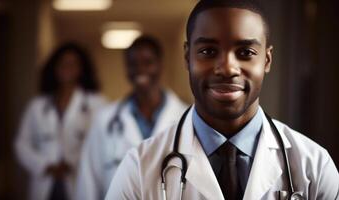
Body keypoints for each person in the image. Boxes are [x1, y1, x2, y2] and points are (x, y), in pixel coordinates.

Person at [105, 1, 339, 200]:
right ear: (188, 57)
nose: (227, 68)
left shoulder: (314, 166)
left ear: (267, 60)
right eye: (208, 51)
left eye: (246, 52)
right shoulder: (138, 169)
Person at [75, 36, 187, 200]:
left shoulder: (185, 118)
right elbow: (88, 181)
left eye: (148, 62)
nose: (140, 69)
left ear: (160, 65)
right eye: (133, 64)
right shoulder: (104, 120)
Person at [15, 42, 107, 200]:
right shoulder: (37, 106)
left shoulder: (98, 103)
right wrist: (45, 166)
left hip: (80, 179)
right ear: (54, 67)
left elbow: (104, 143)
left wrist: (76, 162)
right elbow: (22, 144)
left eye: (73, 63)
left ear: (82, 69)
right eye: (63, 63)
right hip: (44, 183)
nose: (67, 67)